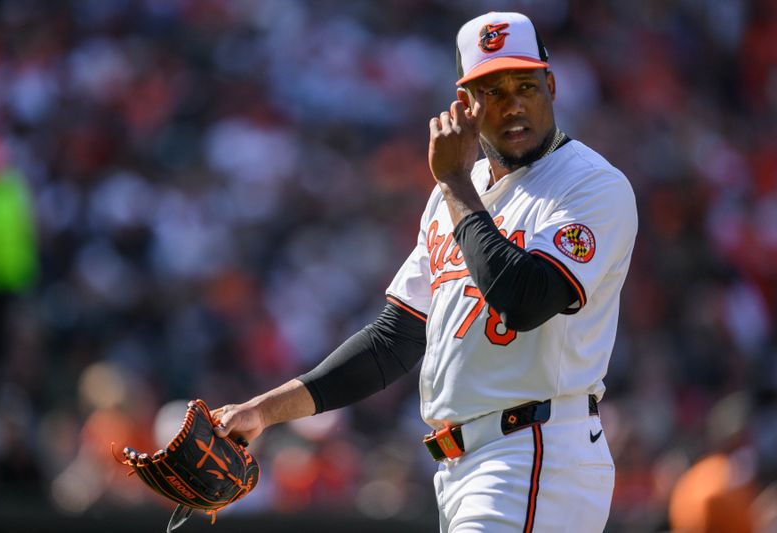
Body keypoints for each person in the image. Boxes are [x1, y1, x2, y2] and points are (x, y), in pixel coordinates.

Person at [212, 11, 637, 532]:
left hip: (537, 450)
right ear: (466, 105)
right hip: (463, 465)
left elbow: (524, 301)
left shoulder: (590, 185)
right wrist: (263, 411)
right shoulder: (452, 196)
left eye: (525, 84)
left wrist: (456, 183)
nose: (513, 104)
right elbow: (396, 339)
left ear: (550, 84)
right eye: (493, 90)